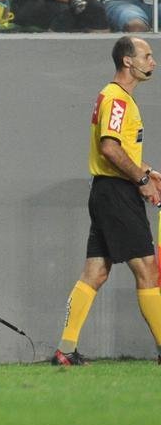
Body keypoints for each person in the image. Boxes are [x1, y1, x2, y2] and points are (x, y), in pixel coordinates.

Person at [53, 36, 161, 366]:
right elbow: (109, 148)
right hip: (117, 194)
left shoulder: (116, 98)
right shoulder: (117, 100)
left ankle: (65, 349)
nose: (152, 61)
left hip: (105, 191)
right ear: (128, 61)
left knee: (95, 272)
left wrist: (149, 171)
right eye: (147, 55)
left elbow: (120, 150)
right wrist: (140, 180)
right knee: (147, 270)